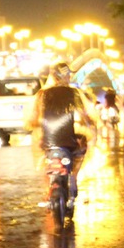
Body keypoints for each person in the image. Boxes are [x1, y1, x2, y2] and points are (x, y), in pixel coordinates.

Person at [26, 62, 97, 203]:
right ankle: (74, 178)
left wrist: (34, 126)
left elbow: (29, 119)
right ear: (65, 76)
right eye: (68, 74)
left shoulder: (41, 94)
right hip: (72, 136)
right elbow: (91, 113)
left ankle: (49, 186)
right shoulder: (75, 93)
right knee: (84, 146)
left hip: (46, 139)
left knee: (39, 151)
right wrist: (94, 124)